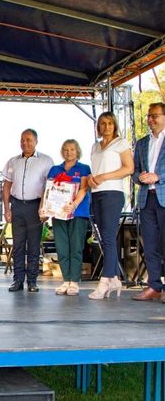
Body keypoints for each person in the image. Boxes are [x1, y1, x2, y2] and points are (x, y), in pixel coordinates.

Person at [87, 112, 133, 300]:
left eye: (109, 123)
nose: (106, 127)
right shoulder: (95, 146)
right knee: (103, 237)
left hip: (112, 193)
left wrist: (104, 176)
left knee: (107, 236)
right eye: (102, 124)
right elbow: (95, 169)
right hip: (96, 193)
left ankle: (105, 281)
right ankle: (114, 277)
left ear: (114, 125)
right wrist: (91, 178)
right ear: (98, 126)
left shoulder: (120, 143)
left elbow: (129, 168)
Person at [2, 129, 53, 293]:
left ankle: (32, 281)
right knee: (17, 245)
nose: (25, 143)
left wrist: (43, 207)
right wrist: (6, 208)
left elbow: (49, 186)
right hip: (17, 205)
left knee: (33, 246)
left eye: (29, 140)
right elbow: (7, 185)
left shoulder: (46, 160)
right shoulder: (12, 161)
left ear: (36, 141)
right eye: (23, 140)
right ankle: (17, 280)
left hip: (35, 207)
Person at [39, 140, 91, 296]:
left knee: (75, 247)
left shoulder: (83, 168)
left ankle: (74, 282)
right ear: (62, 152)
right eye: (66, 150)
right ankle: (65, 280)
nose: (69, 152)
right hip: (58, 213)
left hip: (77, 213)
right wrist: (44, 208)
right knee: (62, 247)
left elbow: (83, 188)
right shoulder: (55, 169)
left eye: (72, 149)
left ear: (77, 151)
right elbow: (47, 190)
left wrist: (74, 205)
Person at [131, 103, 165, 302]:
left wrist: (158, 177)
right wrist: (140, 177)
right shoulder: (142, 143)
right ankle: (154, 286)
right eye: (149, 116)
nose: (151, 120)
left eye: (155, 116)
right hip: (146, 199)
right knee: (150, 244)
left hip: (162, 195)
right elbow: (133, 170)